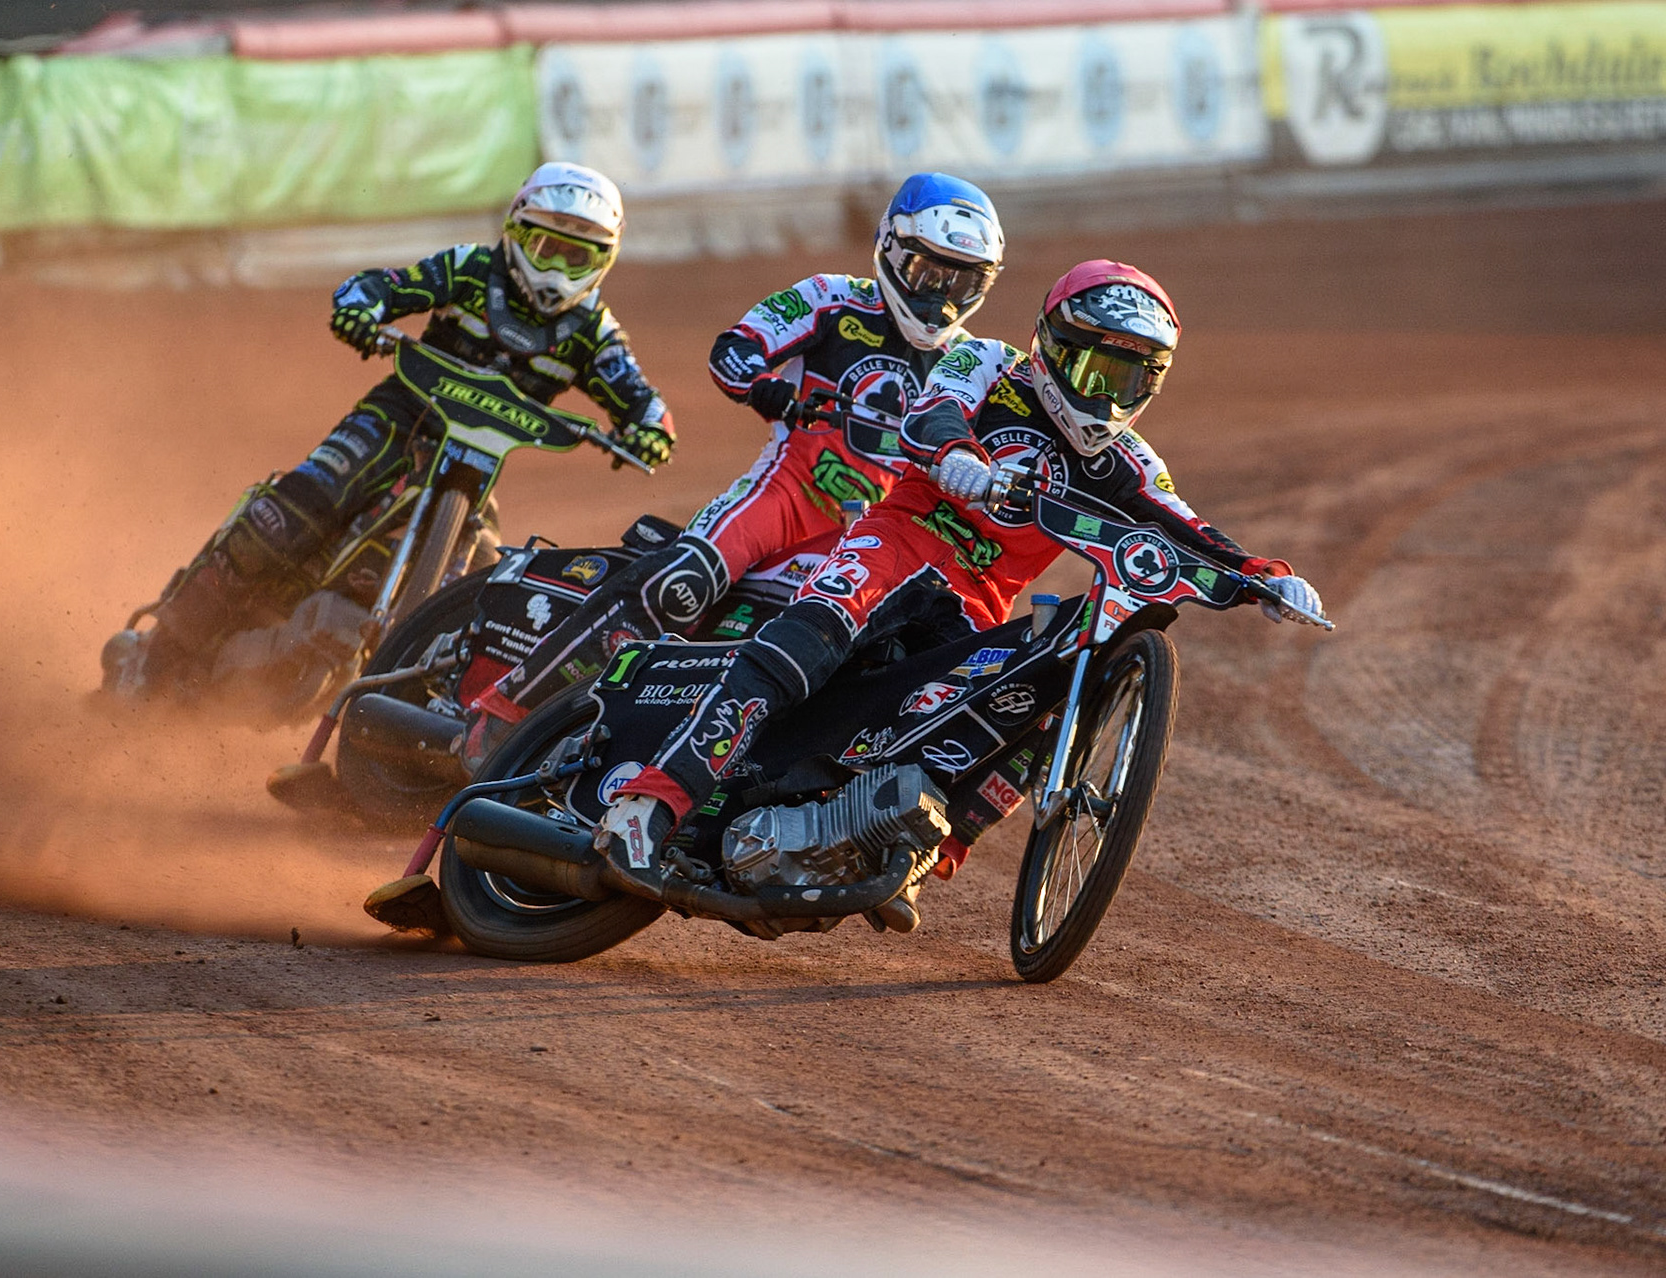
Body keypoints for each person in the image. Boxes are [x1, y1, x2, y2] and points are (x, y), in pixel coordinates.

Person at [593, 260, 1326, 930]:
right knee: (801, 646)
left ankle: (914, 849)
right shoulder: (992, 365)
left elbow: (1186, 527)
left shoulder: (1130, 461)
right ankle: (649, 803)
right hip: (899, 539)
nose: (1109, 395)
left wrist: (1264, 577)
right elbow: (934, 409)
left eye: (1131, 380)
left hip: (974, 603)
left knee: (1031, 700)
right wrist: (956, 454)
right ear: (1056, 348)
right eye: (1098, 369)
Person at [452, 173, 1006, 766]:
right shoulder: (832, 297)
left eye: (962, 282)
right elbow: (735, 348)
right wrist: (763, 387)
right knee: (681, 584)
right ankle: (502, 710)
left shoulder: (968, 362)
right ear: (893, 252)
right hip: (785, 495)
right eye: (929, 275)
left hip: (873, 532)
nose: (939, 298)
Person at [106, 162, 676, 698]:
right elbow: (383, 285)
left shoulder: (595, 334)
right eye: (546, 246)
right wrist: (362, 308)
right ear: (515, 233)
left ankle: (391, 722)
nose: (555, 269)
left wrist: (649, 430)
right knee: (288, 513)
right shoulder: (471, 270)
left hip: (472, 465)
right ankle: (161, 649)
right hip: (400, 418)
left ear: (603, 260)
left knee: (482, 581)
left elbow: (643, 400)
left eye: (576, 257)